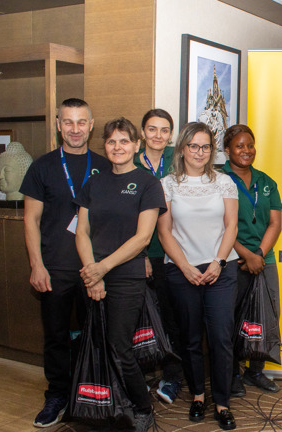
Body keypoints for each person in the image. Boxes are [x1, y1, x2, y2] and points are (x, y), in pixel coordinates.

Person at [20, 98, 111, 428]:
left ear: (91, 125)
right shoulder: (41, 167)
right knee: (57, 337)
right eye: (68, 122)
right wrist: (36, 265)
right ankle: (57, 394)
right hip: (55, 268)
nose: (75, 129)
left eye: (81, 122)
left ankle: (95, 393)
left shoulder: (105, 164)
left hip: (96, 269)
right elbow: (30, 220)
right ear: (58, 125)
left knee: (96, 336)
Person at [74, 117, 166, 431]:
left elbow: (142, 238)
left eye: (124, 141)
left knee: (119, 345)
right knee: (97, 342)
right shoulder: (94, 182)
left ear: (136, 145)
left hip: (126, 276)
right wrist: (93, 274)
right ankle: (111, 403)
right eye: (112, 141)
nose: (117, 147)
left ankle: (142, 406)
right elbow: (81, 232)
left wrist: (103, 268)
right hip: (93, 275)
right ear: (105, 145)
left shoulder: (148, 183)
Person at [157, 122, 239, 430]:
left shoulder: (224, 183)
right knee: (190, 338)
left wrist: (218, 262)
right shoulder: (167, 185)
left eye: (205, 147)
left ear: (212, 150)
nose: (199, 152)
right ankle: (197, 397)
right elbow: (164, 232)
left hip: (221, 269)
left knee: (220, 337)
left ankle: (222, 403)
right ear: (182, 149)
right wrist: (185, 267)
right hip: (182, 271)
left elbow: (231, 226)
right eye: (193, 146)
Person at [222, 124, 282, 396]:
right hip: (231, 259)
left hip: (263, 259)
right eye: (239, 146)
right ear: (227, 150)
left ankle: (255, 372)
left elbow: (275, 223)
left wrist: (258, 255)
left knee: (265, 315)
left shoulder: (266, 181)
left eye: (250, 145)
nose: (246, 151)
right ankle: (232, 373)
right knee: (231, 318)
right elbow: (219, 225)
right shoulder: (218, 180)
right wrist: (245, 255)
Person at [133, 108, 183, 404]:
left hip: (173, 254)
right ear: (142, 133)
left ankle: (172, 376)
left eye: (164, 130)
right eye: (152, 129)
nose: (158, 136)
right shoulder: (128, 161)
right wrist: (139, 254)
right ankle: (136, 376)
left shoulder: (178, 158)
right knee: (137, 319)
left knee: (172, 318)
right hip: (138, 254)